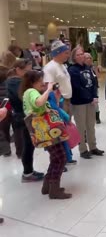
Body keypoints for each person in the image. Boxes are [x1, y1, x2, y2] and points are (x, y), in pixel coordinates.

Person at [21, 71, 71, 199]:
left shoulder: (29, 92)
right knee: (61, 158)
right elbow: (38, 103)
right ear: (32, 83)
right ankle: (54, 189)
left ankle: (48, 186)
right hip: (46, 131)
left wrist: (52, 93)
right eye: (40, 81)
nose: (43, 83)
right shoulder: (31, 92)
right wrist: (48, 90)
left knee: (56, 158)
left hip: (44, 132)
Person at [6, 59, 44, 182]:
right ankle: (27, 172)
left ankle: (29, 170)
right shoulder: (14, 83)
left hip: (24, 116)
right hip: (22, 118)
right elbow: (22, 98)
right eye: (26, 71)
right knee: (27, 146)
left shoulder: (18, 82)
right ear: (18, 70)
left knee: (29, 145)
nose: (29, 73)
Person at [68, 47, 104, 159]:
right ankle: (83, 149)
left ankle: (93, 147)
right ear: (74, 57)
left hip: (90, 101)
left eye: (82, 54)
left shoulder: (88, 68)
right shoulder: (72, 70)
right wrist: (89, 96)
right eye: (78, 54)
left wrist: (94, 96)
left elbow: (93, 83)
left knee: (90, 125)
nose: (81, 56)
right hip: (79, 102)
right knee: (81, 127)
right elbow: (77, 87)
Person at [43, 40, 72, 115]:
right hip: (59, 103)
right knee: (61, 125)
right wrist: (55, 105)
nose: (68, 55)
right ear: (58, 53)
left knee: (68, 125)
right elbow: (48, 88)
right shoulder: (49, 68)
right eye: (66, 53)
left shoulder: (62, 65)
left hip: (68, 101)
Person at [84, 52, 101, 124]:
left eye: (90, 58)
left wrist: (96, 69)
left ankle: (97, 117)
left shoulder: (92, 67)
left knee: (96, 104)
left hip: (94, 88)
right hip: (86, 89)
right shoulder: (83, 68)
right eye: (87, 58)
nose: (89, 59)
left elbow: (98, 76)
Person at [0, 63, 12, 157]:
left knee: (4, 129)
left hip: (2, 110)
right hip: (8, 107)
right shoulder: (8, 83)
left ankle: (7, 150)